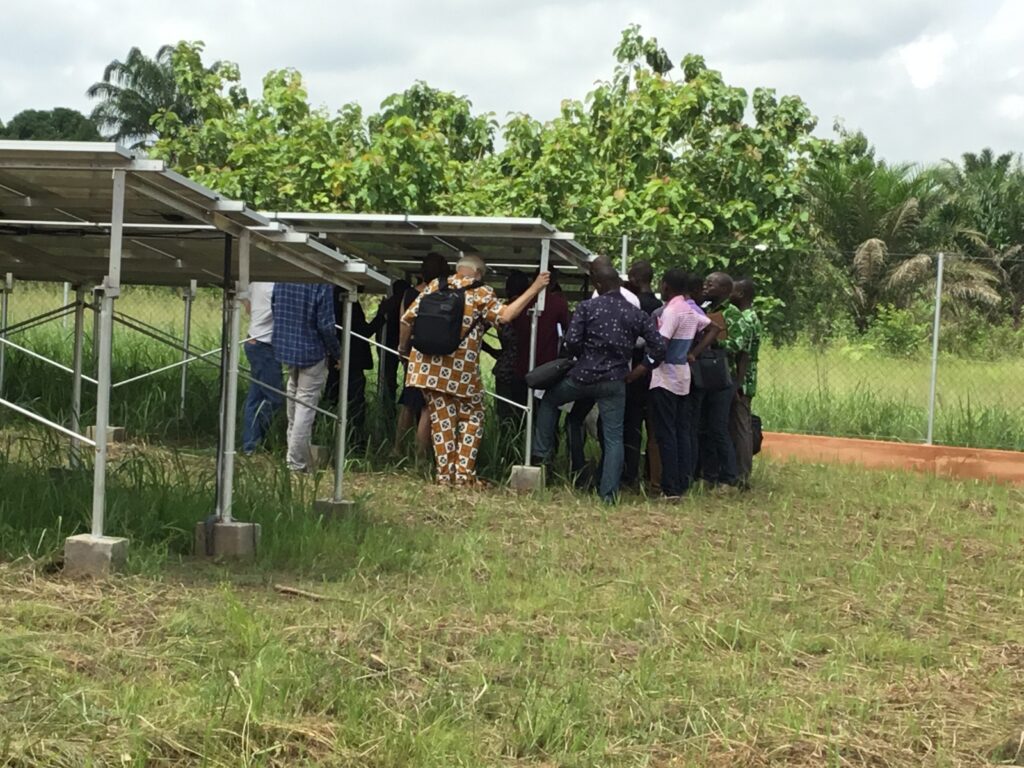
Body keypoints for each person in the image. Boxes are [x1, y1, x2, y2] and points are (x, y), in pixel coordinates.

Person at [399, 254, 549, 486]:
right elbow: (505, 316)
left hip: (426, 368)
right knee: (473, 416)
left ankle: (445, 476)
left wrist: (403, 349)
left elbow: (407, 320)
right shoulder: (481, 292)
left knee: (442, 420)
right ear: (479, 273)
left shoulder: (434, 286)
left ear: (458, 269)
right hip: (460, 371)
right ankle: (463, 475)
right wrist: (535, 288)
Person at [532, 262, 666, 503]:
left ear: (598, 284)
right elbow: (659, 347)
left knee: (550, 400)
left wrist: (583, 355)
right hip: (615, 381)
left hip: (582, 377)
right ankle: (608, 495)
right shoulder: (636, 313)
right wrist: (639, 370)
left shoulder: (587, 307)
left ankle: (541, 455)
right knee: (614, 437)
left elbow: (571, 342)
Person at [648, 269, 716, 499]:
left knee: (666, 433)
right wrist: (692, 353)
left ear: (666, 286)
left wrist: (643, 367)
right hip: (683, 376)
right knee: (682, 431)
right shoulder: (689, 309)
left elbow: (661, 345)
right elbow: (713, 328)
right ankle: (683, 482)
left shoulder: (671, 311)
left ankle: (670, 488)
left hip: (665, 376)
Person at [271, 282, 340, 472]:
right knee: (305, 406)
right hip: (312, 351)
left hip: (287, 348)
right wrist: (337, 353)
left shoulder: (283, 279)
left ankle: (294, 457)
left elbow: (275, 306)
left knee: (293, 401)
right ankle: (296, 462)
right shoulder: (321, 284)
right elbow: (326, 325)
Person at [325, 286, 393, 453]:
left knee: (332, 398)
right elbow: (362, 331)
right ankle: (355, 442)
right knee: (355, 403)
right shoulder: (346, 302)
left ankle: (330, 437)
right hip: (350, 359)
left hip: (335, 357)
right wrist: (381, 315)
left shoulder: (330, 298)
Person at [395, 252, 450, 454]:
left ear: (422, 272)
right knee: (428, 405)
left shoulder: (410, 294)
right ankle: (421, 454)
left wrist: (402, 349)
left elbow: (404, 322)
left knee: (408, 402)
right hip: (436, 353)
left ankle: (397, 448)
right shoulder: (445, 294)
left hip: (413, 352)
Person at [696, 271, 739, 487]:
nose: (706, 287)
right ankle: (709, 475)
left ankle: (729, 477)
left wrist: (714, 340)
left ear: (724, 289)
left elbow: (737, 345)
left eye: (710, 284)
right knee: (704, 427)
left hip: (723, 376)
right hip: (704, 374)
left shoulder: (732, 313)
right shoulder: (704, 308)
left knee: (719, 427)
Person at [623, 260, 663, 488]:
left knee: (632, 424)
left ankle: (630, 473)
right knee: (654, 427)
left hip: (635, 370)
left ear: (635, 279)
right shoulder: (659, 305)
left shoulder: (633, 304)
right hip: (655, 372)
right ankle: (652, 473)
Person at [724, 278, 763, 488]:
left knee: (741, 425)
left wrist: (738, 384)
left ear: (740, 294)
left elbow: (744, 354)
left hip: (743, 378)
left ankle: (742, 475)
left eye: (733, 290)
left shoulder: (746, 319)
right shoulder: (751, 316)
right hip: (745, 377)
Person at [241, 281, 284, 455]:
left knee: (256, 396)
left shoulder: (256, 282)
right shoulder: (277, 287)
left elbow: (247, 307)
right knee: (275, 398)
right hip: (265, 344)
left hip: (254, 340)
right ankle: (255, 438)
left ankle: (251, 444)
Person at [484, 271, 531, 426]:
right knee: (525, 414)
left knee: (505, 415)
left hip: (505, 368)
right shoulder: (532, 310)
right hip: (528, 367)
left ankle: (505, 441)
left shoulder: (502, 311)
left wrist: (492, 350)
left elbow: (474, 332)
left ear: (507, 289)